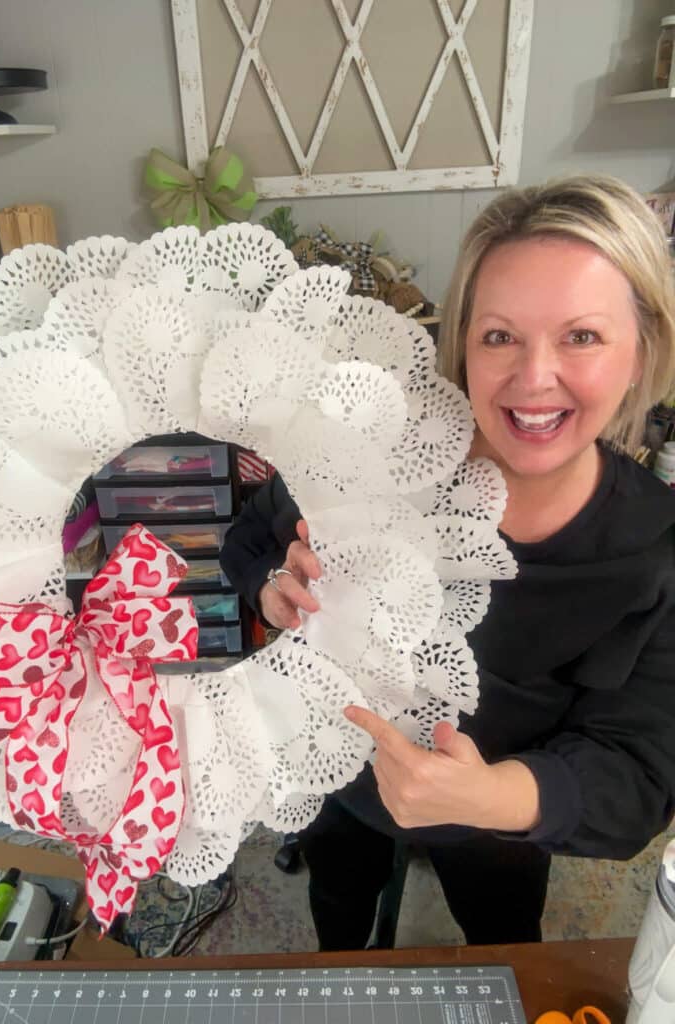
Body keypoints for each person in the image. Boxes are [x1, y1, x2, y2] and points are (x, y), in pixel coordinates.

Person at [220, 174, 675, 949]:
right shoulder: (369, 459)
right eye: (499, 336)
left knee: (501, 936)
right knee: (339, 909)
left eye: (582, 336)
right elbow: (251, 541)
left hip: (501, 822)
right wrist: (273, 590)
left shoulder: (656, 551)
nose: (534, 378)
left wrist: (496, 795)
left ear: (643, 351)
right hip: (340, 775)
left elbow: (640, 772)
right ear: (463, 343)